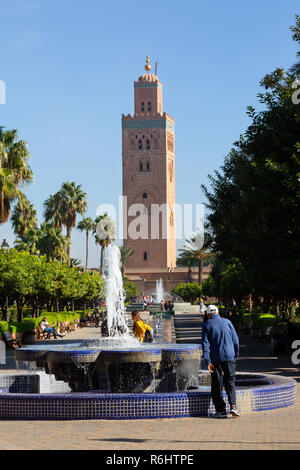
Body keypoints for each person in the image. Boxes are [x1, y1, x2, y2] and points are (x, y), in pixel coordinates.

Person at [202, 305, 240, 418]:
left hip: (215, 359)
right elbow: (235, 340)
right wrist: (235, 354)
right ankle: (233, 406)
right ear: (218, 312)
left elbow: (206, 344)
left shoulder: (207, 325)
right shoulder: (227, 322)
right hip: (229, 357)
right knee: (230, 382)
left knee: (217, 384)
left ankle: (221, 411)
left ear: (208, 314)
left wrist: (207, 361)